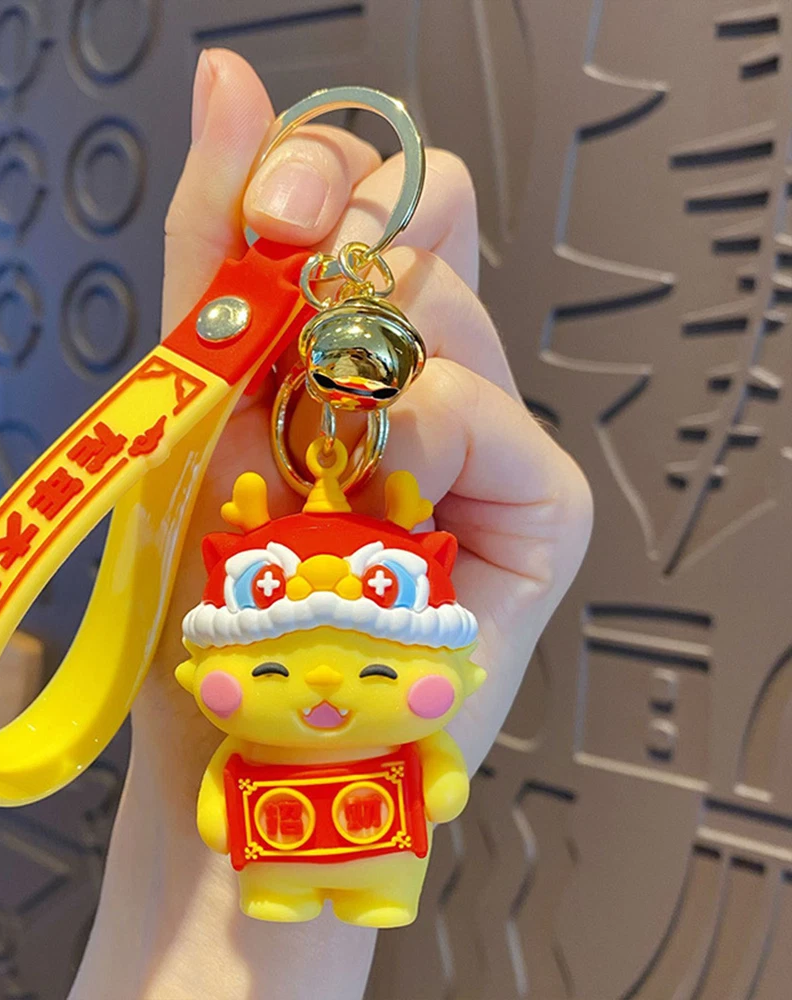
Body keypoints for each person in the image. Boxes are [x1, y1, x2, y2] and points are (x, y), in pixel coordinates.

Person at [69, 49, 592, 1000]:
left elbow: (435, 781)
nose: (316, 684)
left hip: (372, 852)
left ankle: (355, 892)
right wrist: (196, 856)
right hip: (272, 858)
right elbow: (227, 801)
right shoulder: (248, 741)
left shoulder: (388, 728)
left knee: (371, 882)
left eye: (380, 672)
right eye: (268, 672)